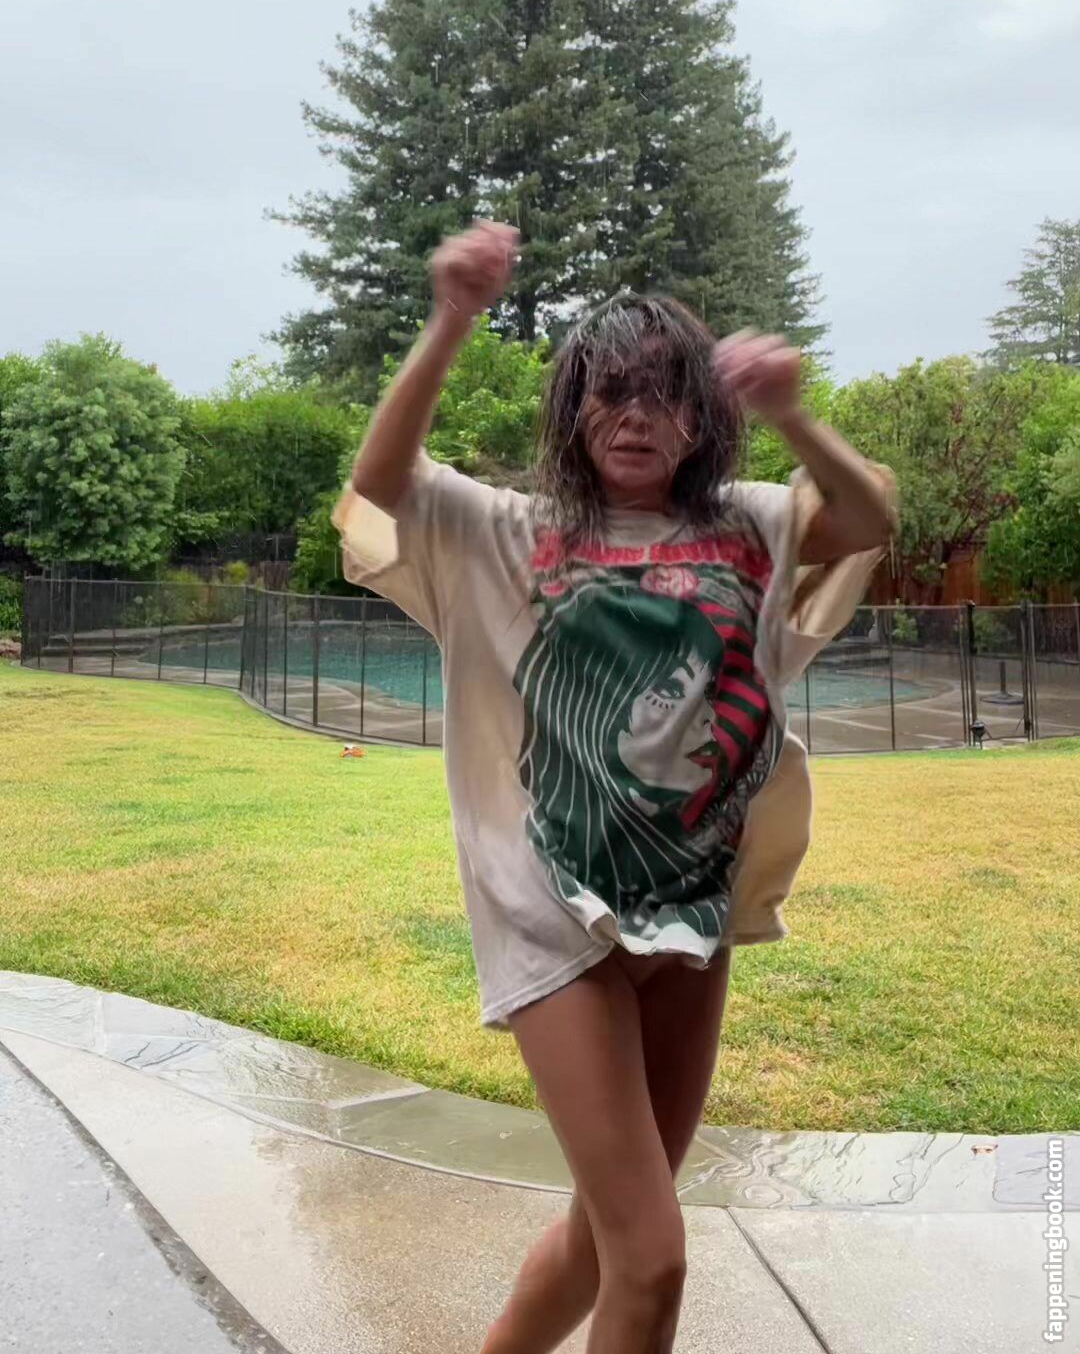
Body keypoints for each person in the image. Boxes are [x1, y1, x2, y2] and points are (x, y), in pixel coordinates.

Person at [334, 219, 896, 1354]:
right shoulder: (505, 530)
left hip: (693, 909)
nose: (635, 415)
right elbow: (379, 487)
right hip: (552, 910)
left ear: (704, 414)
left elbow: (869, 518)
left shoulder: (755, 522)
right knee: (654, 1255)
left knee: (604, 1240)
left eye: (663, 392)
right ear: (574, 408)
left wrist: (793, 413)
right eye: (609, 391)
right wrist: (452, 317)